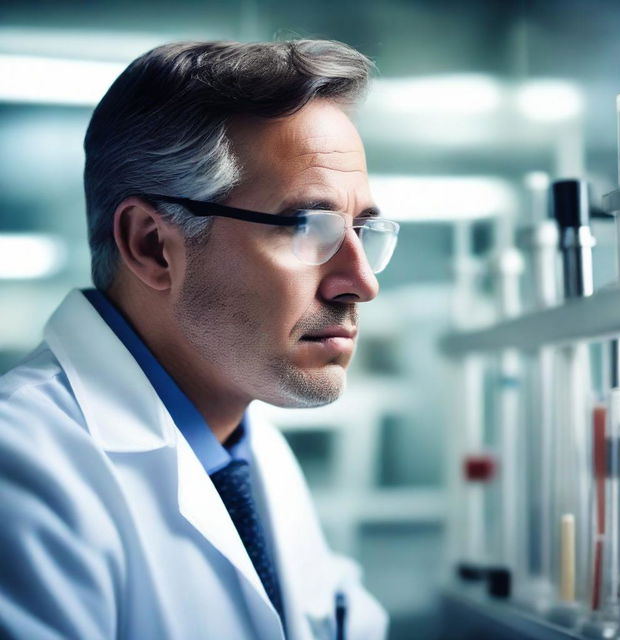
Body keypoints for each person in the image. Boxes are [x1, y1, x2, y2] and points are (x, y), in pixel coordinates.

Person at [0, 39, 399, 640]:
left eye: (363, 231)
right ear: (151, 246)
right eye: (307, 227)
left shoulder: (250, 451)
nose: (360, 284)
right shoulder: (23, 469)